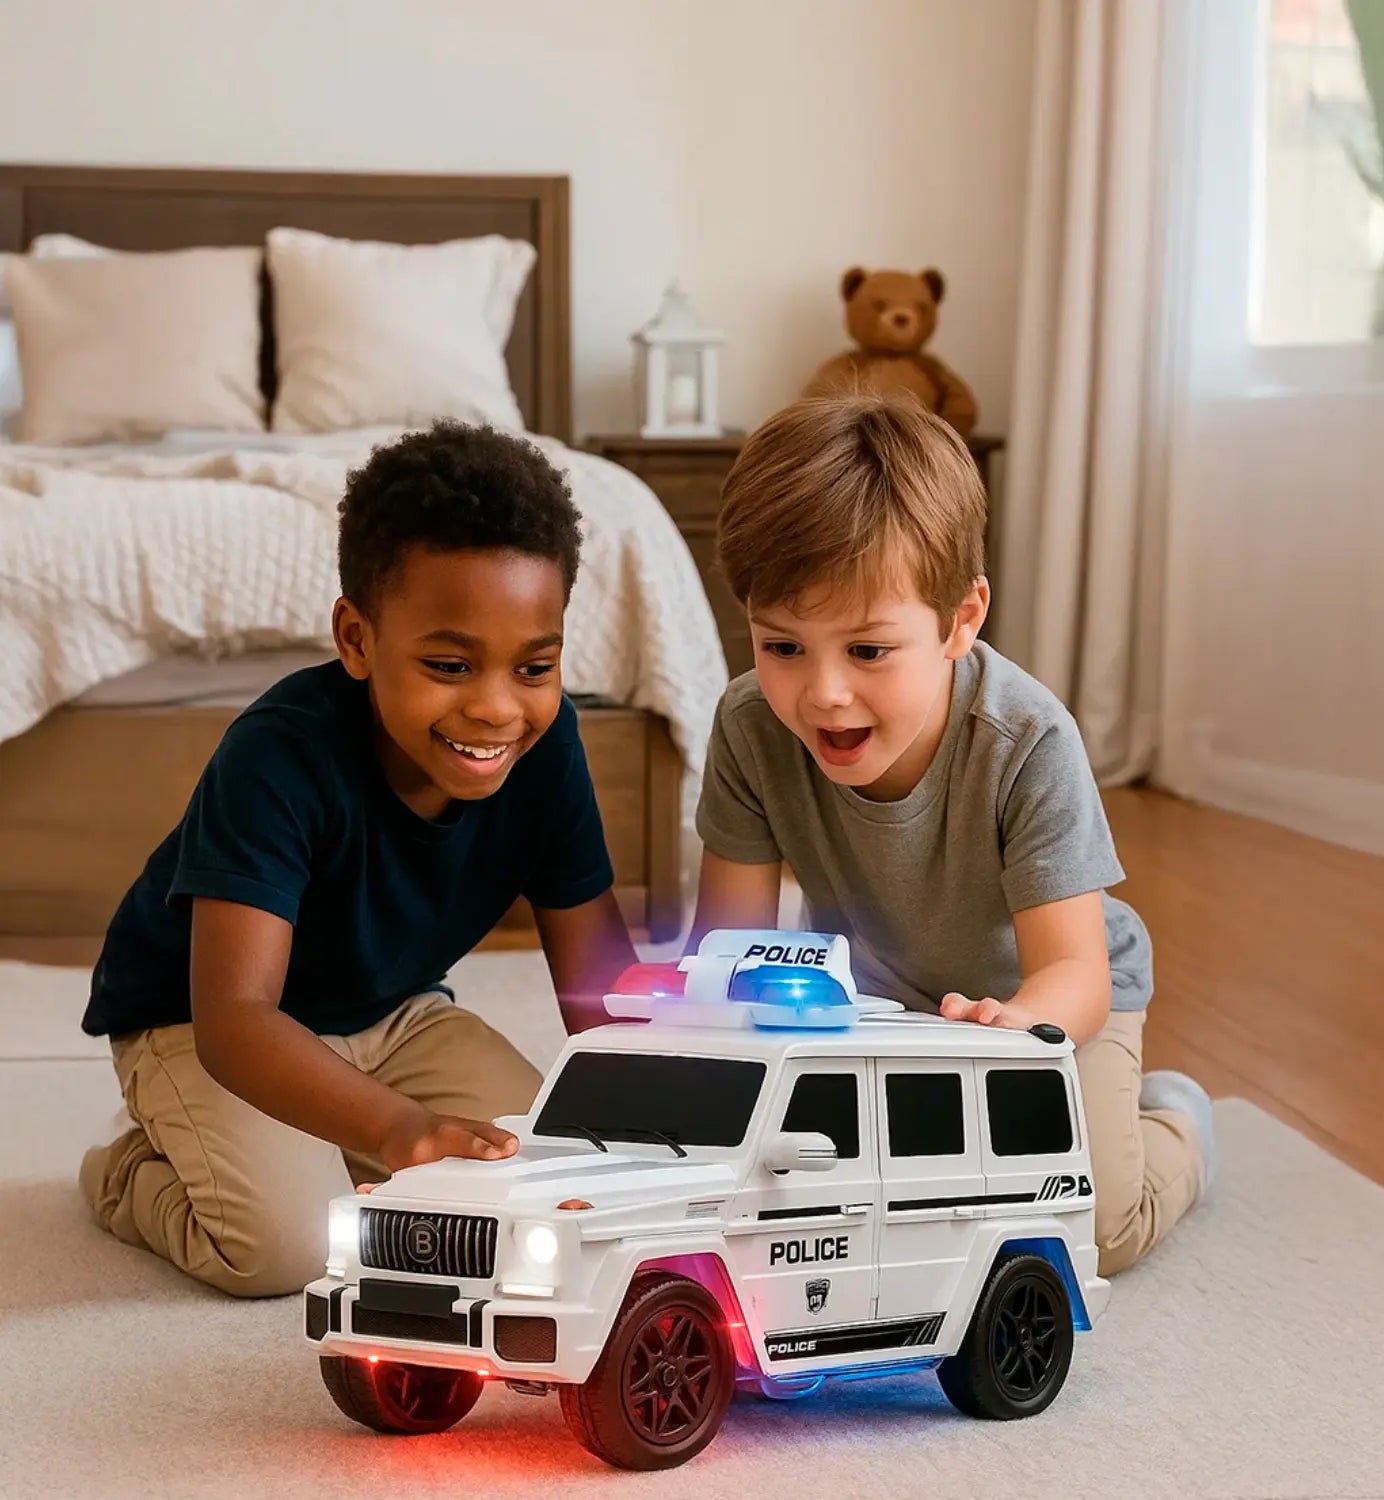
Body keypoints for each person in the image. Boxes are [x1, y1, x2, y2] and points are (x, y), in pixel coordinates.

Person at [79, 422, 638, 1296]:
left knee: (547, 1177)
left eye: (535, 667)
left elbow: (598, 983)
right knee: (285, 1250)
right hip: (198, 1023)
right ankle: (126, 1172)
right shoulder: (277, 755)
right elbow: (234, 1018)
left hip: (396, 1015)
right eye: (450, 664)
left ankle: (342, 1133)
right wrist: (401, 1130)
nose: (497, 709)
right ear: (357, 639)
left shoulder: (546, 744)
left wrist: (659, 1123)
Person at [690, 394, 1215, 1275]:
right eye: (782, 646)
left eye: (867, 651)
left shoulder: (1026, 740)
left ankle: (1177, 1124)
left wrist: (1008, 1028)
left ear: (961, 621)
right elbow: (728, 947)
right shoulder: (750, 725)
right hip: (883, 1002)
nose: (822, 694)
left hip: (1042, 1008)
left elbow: (1075, 973)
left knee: (1097, 1234)